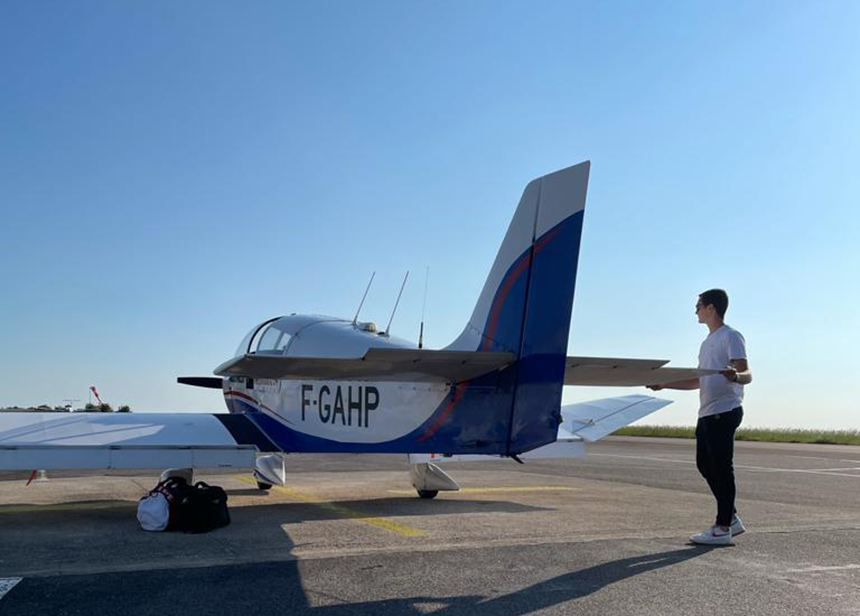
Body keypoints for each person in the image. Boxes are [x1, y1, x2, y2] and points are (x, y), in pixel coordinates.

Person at [648, 289, 752, 546]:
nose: (695, 310)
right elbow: (699, 380)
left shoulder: (731, 336)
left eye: (699, 306)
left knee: (722, 468)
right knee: (704, 465)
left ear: (711, 308)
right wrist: (665, 384)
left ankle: (722, 528)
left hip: (724, 411)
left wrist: (736, 376)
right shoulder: (707, 343)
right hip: (707, 412)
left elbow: (747, 373)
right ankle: (731, 518)